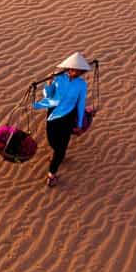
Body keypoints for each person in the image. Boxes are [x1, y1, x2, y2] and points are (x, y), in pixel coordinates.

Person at [32, 52, 93, 187]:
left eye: (77, 70)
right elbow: (49, 95)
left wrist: (79, 122)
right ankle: (58, 155)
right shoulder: (59, 78)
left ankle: (51, 174)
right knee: (52, 141)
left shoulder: (81, 85)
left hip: (68, 117)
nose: (74, 71)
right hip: (52, 113)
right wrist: (49, 83)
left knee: (61, 148)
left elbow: (81, 103)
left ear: (81, 72)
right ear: (68, 68)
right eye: (72, 68)